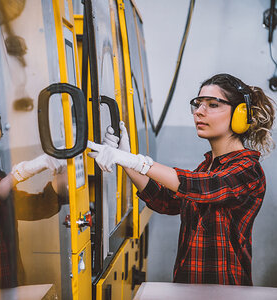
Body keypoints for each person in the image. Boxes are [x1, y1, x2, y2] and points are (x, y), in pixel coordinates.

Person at [87, 73, 276, 285]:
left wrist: (136, 161)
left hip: (226, 290)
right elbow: (167, 202)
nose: (199, 112)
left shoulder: (248, 169)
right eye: (197, 104)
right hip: (188, 286)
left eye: (213, 105)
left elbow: (203, 188)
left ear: (240, 115)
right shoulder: (206, 167)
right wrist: (126, 162)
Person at [0, 98, 67, 290]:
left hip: (8, 284)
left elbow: (30, 209)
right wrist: (16, 176)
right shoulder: (0, 181)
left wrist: (61, 178)